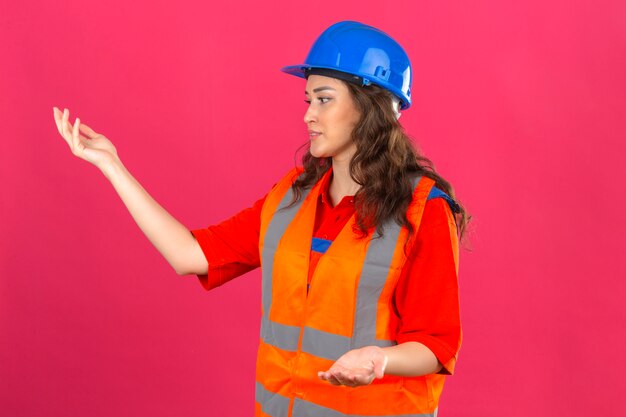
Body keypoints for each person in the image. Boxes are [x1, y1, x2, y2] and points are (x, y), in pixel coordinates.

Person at [53, 20, 467, 417]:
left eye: (324, 99)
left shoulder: (422, 210)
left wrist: (379, 358)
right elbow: (190, 254)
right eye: (308, 101)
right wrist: (113, 167)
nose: (308, 115)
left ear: (370, 108)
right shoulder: (292, 199)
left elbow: (435, 345)